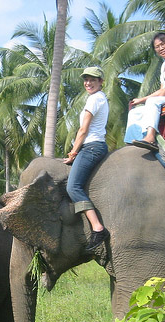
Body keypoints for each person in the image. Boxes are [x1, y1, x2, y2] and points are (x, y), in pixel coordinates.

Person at [64, 67, 110, 255]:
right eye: (86, 80)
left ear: (101, 82)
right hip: (92, 146)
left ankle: (98, 228)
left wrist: (73, 153)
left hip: (91, 147)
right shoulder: (99, 99)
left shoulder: (95, 99)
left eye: (93, 80)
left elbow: (83, 130)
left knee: (72, 187)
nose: (88, 83)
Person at [124, 32, 165, 151]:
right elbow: (162, 89)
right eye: (157, 47)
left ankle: (150, 137)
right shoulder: (164, 65)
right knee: (135, 112)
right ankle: (132, 142)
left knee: (152, 102)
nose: (161, 48)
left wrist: (146, 100)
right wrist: (141, 100)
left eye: (163, 44)